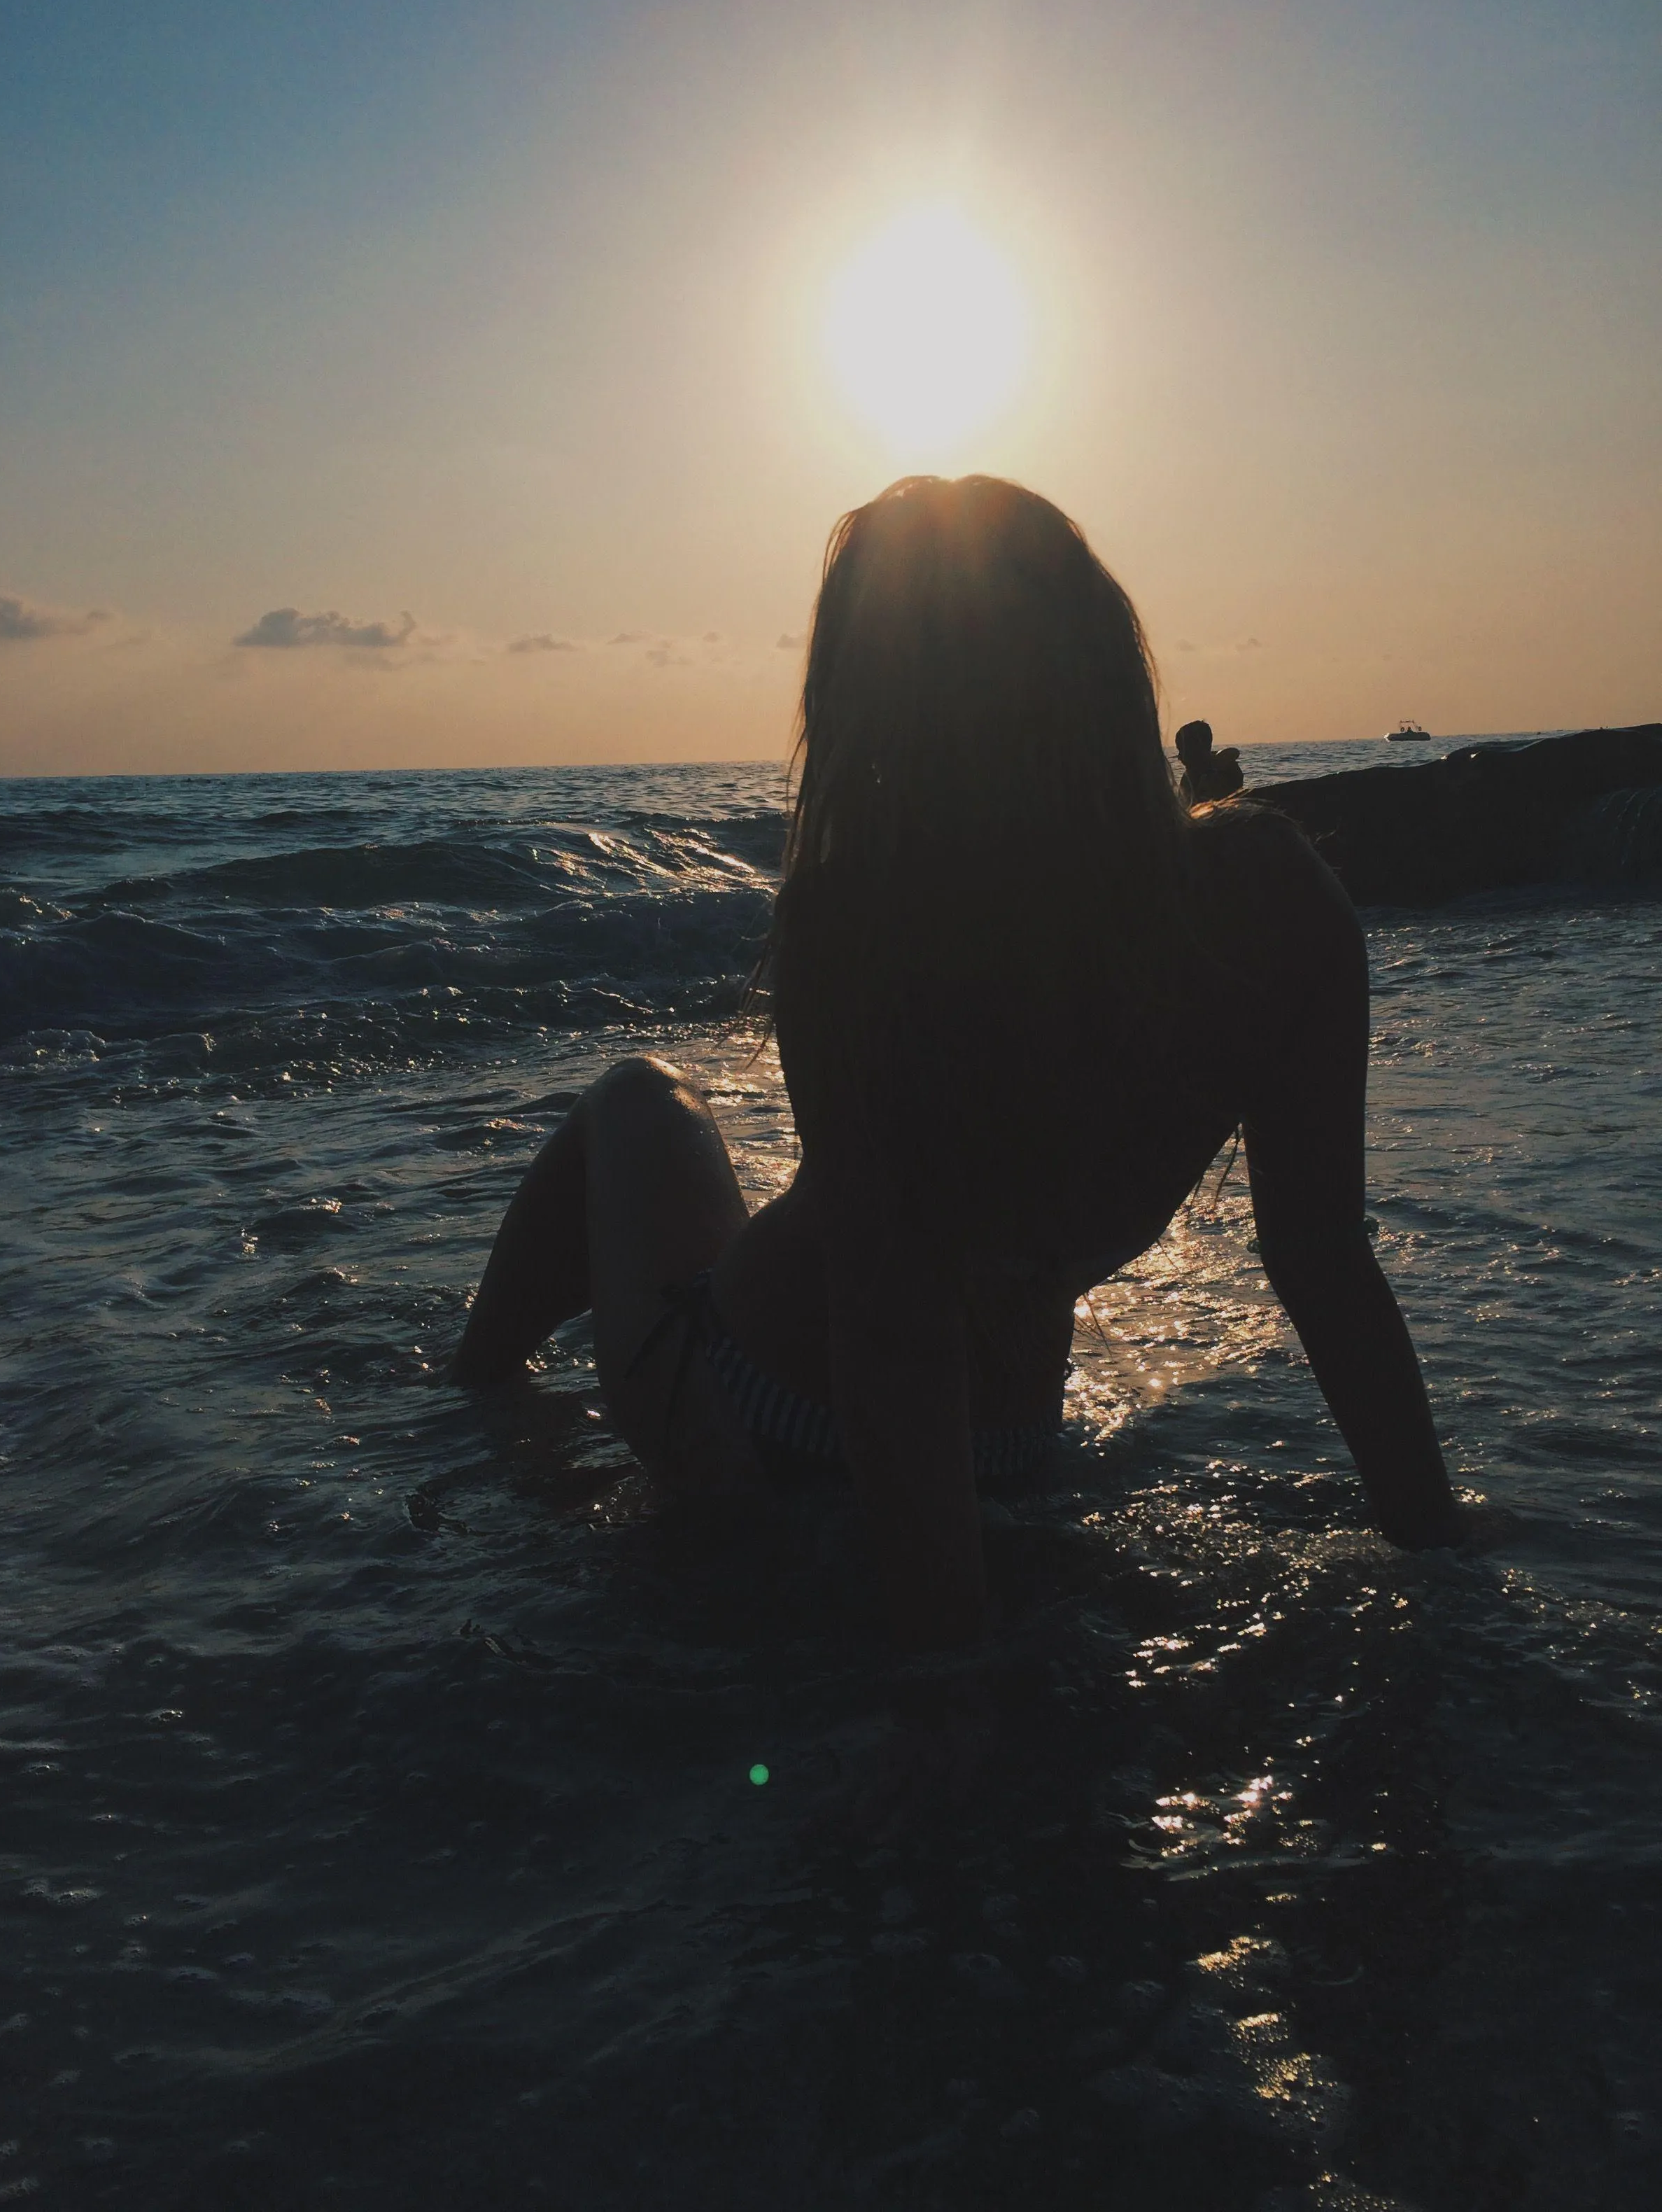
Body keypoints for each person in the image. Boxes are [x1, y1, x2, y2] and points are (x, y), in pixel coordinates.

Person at [453, 476, 1464, 1663]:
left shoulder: (858, 928)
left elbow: (890, 1332)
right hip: (1007, 1452)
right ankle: (478, 1385)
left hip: (752, 1419)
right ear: (1102, 666)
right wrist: (1433, 1545)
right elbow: (1323, 1264)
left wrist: (944, 1698)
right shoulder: (1271, 895)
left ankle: (472, 1390)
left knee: (640, 1097)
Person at [1175, 718, 1244, 805]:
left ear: (1196, 750)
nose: (1179, 757)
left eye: (1182, 751)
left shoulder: (1222, 769)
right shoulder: (1189, 777)